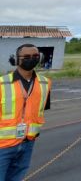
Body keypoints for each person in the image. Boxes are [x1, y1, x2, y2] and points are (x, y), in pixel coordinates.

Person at [0, 44, 51, 181]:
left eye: (35, 56)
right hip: (2, 146)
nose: (31, 59)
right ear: (16, 59)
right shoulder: (2, 83)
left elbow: (39, 111)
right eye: (26, 57)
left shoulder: (45, 83)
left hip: (28, 143)